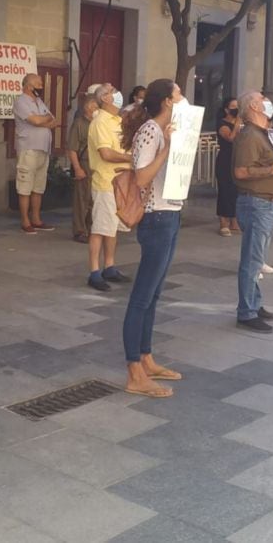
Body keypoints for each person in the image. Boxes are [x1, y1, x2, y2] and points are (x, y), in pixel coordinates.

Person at [120, 78, 186, 398]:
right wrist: (169, 148)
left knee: (155, 293)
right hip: (156, 217)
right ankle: (134, 370)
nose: (183, 98)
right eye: (178, 94)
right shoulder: (150, 131)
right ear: (167, 102)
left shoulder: (164, 131)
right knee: (142, 296)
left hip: (170, 214)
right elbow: (142, 177)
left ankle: (146, 357)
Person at [233, 90, 273, 334]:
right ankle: (246, 311)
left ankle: (254, 304)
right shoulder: (249, 136)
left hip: (268, 203)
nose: (268, 102)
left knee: (257, 259)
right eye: (263, 99)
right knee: (252, 259)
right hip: (257, 202)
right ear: (254, 107)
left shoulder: (263, 133)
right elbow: (241, 172)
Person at [86, 83, 133, 291]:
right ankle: (94, 271)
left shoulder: (119, 120)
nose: (117, 92)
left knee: (112, 227)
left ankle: (110, 266)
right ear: (104, 98)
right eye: (112, 90)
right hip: (106, 181)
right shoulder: (100, 122)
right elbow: (106, 153)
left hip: (121, 181)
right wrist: (131, 158)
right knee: (100, 227)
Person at [13, 73, 59, 233]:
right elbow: (36, 121)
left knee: (38, 187)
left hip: (43, 148)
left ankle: (36, 219)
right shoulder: (21, 101)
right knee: (25, 186)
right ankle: (25, 221)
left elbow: (53, 121)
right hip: (28, 148)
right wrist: (43, 119)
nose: (41, 86)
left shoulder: (39, 101)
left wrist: (43, 119)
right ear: (28, 86)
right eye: (38, 84)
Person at [66, 92, 98, 244]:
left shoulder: (100, 123)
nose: (95, 108)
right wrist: (77, 168)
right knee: (81, 199)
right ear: (87, 107)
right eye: (93, 105)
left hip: (98, 165)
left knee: (94, 199)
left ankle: (91, 228)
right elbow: (72, 148)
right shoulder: (79, 123)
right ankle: (79, 230)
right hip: (84, 163)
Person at [216, 97, 241, 237]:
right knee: (225, 190)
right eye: (233, 106)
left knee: (236, 190)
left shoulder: (241, 123)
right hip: (225, 159)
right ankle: (223, 222)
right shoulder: (222, 124)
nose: (236, 109)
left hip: (238, 159)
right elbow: (230, 138)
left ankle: (234, 220)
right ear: (227, 109)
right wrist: (237, 123)